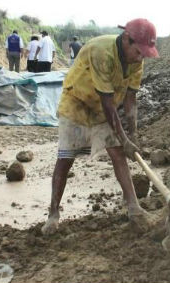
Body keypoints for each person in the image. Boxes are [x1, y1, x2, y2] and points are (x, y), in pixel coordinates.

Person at [41, 18, 159, 236]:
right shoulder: (100, 52)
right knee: (66, 158)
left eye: (144, 53)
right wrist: (123, 138)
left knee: (118, 153)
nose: (140, 57)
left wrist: (132, 136)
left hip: (105, 107)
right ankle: (53, 214)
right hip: (77, 102)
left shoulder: (136, 61)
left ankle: (134, 208)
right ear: (126, 39)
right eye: (138, 51)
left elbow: (130, 99)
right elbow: (107, 102)